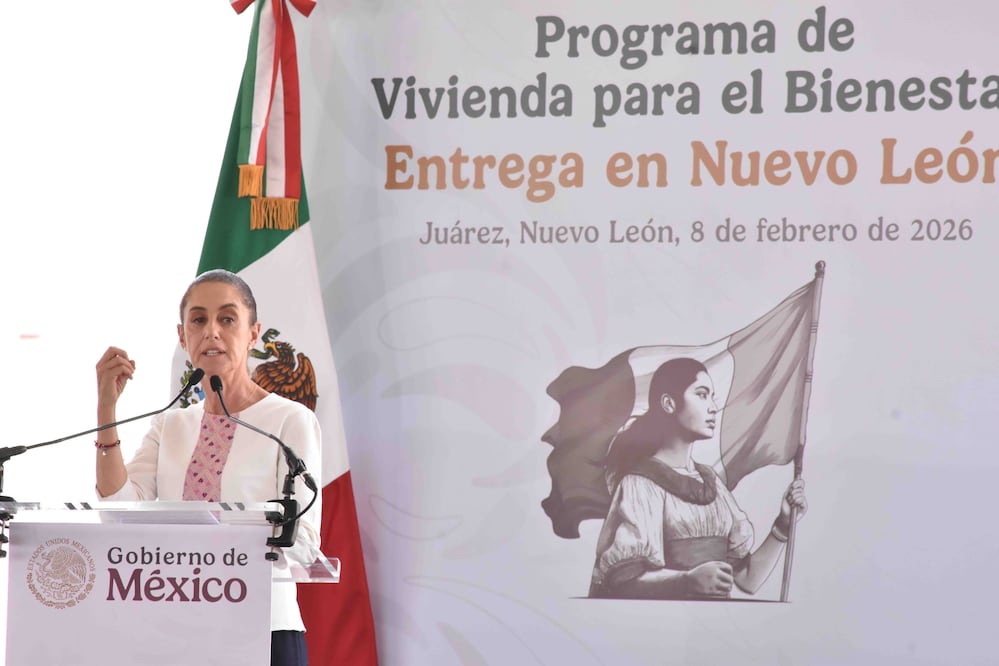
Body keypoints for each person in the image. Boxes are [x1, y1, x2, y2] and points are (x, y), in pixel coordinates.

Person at [94, 269, 321, 666]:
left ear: (253, 333)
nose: (211, 331)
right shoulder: (170, 424)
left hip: (263, 628)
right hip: (176, 628)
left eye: (228, 319)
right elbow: (118, 509)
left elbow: (303, 542)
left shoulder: (289, 420)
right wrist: (106, 409)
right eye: (198, 320)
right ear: (182, 336)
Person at [589, 357, 807, 599]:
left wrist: (783, 525)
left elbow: (747, 580)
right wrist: (686, 581)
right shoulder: (640, 484)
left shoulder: (711, 482)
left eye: (712, 397)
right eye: (702, 395)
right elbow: (622, 583)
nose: (713, 407)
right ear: (669, 403)